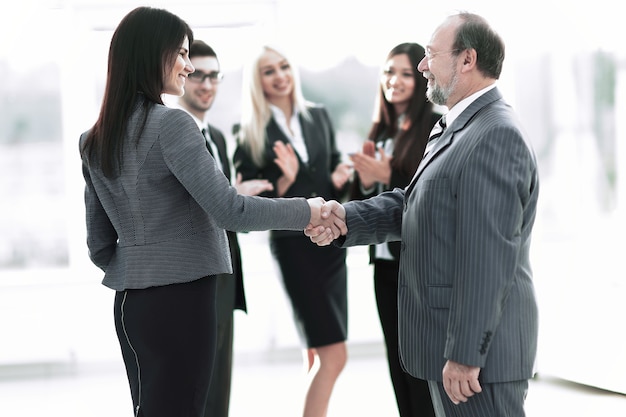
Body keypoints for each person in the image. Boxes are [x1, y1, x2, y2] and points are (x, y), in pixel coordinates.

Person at [79, 7, 344, 417]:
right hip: (183, 300)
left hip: (131, 305)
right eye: (181, 54)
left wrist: (139, 264)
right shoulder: (173, 125)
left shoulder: (94, 139)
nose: (188, 65)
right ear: (152, 54)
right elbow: (231, 211)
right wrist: (306, 210)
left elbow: (99, 245)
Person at [307, 11, 539, 417]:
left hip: (477, 361)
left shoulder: (495, 134)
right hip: (446, 348)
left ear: (467, 60)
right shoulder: (455, 127)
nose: (422, 66)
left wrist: (466, 354)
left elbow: (488, 258)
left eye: (431, 54)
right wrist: (346, 217)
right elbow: (414, 204)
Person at [232, 45, 353, 417]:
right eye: (269, 71)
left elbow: (333, 172)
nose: (280, 75)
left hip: (331, 243)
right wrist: (283, 182)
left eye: (284, 66)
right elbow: (246, 203)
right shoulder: (248, 132)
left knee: (321, 350)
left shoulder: (317, 116)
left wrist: (338, 178)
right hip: (294, 249)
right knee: (336, 356)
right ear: (258, 81)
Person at [175, 39, 273, 417]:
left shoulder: (215, 136)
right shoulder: (172, 133)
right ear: (181, 75)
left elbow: (223, 208)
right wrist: (234, 197)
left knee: (218, 391)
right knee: (192, 392)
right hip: (192, 280)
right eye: (198, 75)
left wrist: (237, 198)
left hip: (224, 277)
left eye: (214, 76)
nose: (207, 84)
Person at [349, 42, 437, 417]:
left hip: (415, 264)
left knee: (419, 361)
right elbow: (360, 196)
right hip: (383, 264)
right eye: (388, 72)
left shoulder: (435, 123)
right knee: (396, 359)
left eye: (404, 73)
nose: (394, 81)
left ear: (420, 79)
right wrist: (365, 180)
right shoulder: (380, 129)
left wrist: (388, 174)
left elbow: (430, 190)